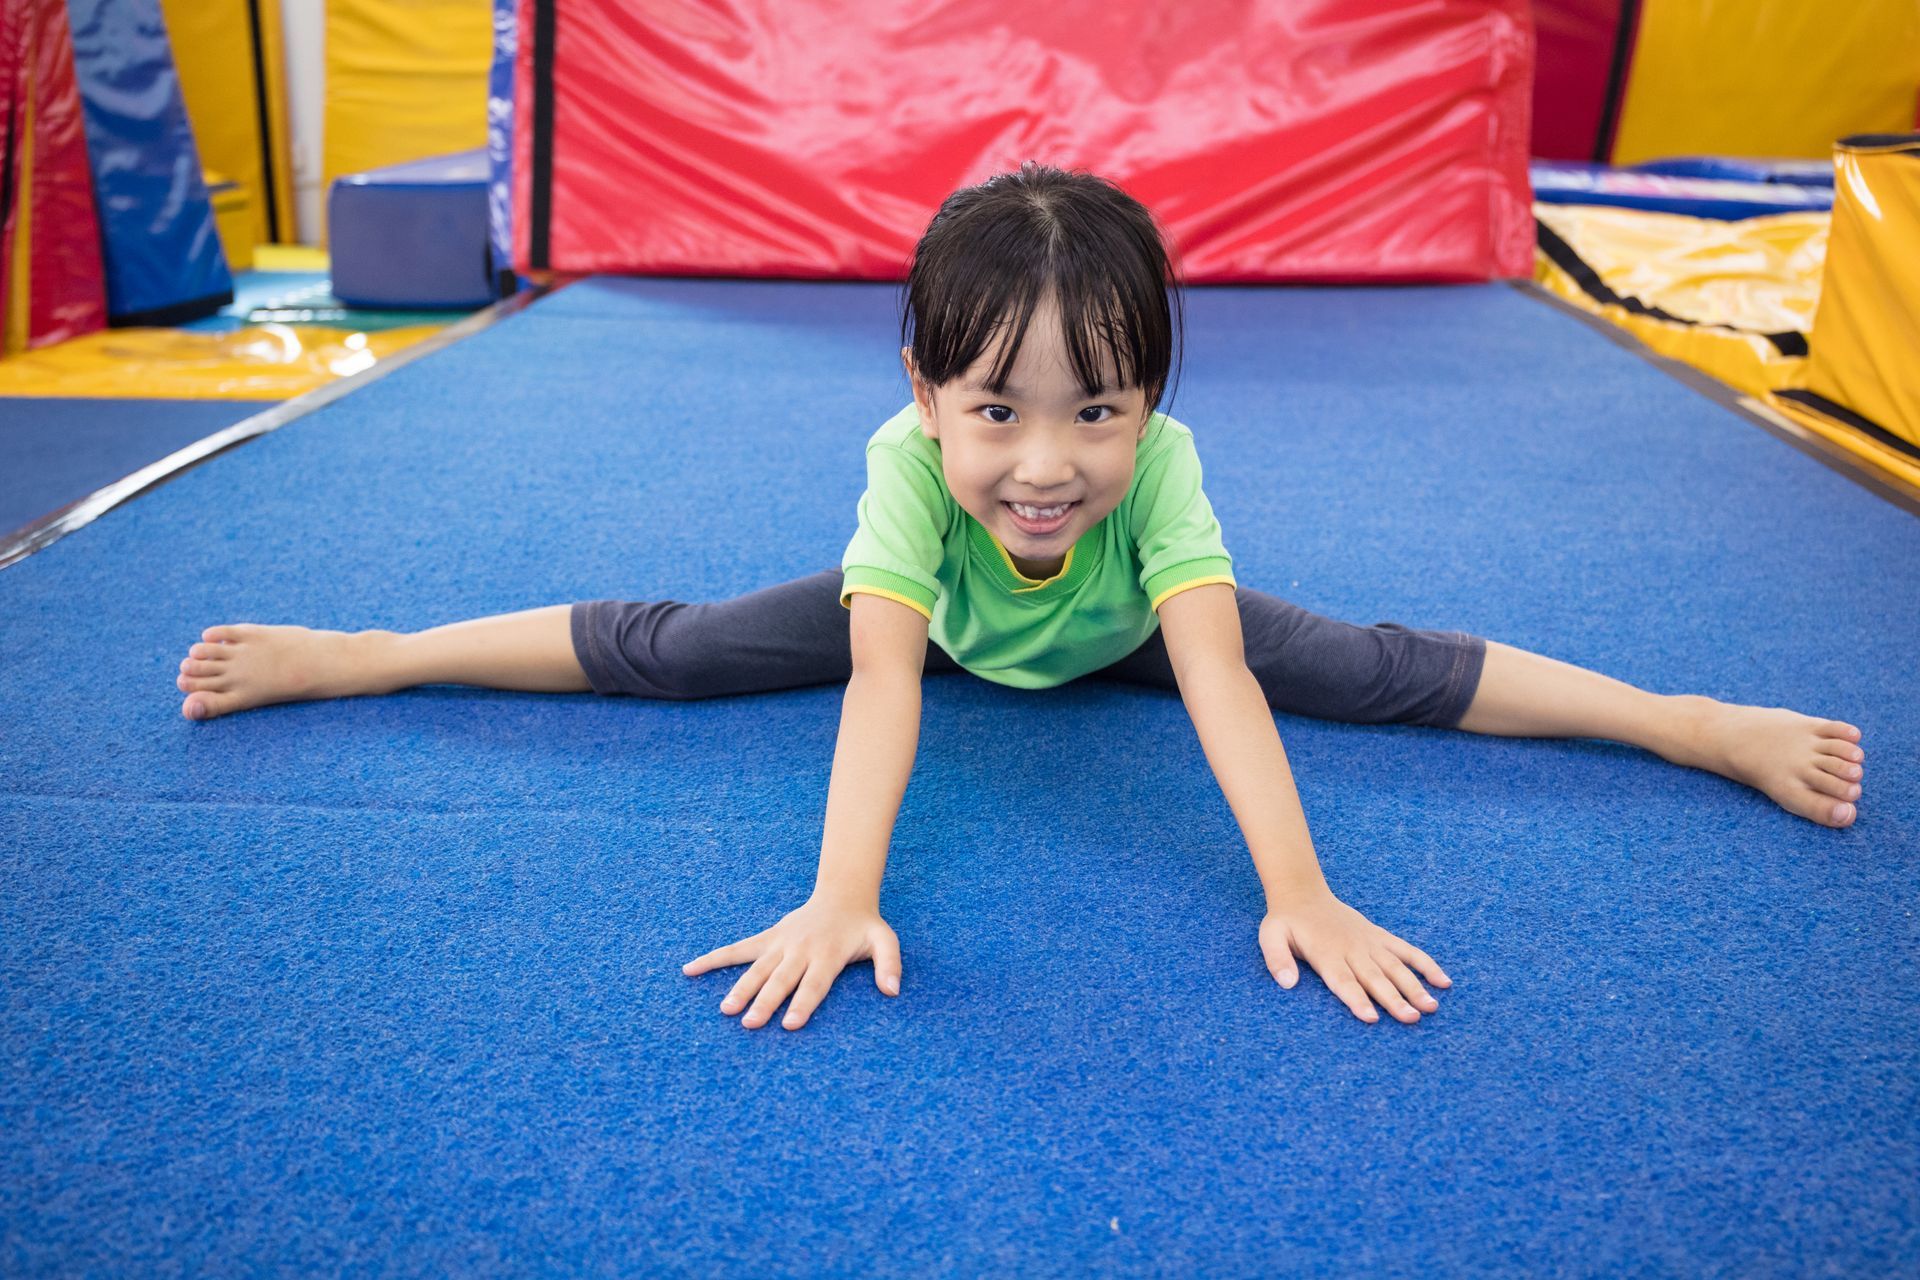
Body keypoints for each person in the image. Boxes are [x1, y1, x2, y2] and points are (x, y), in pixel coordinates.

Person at [174, 162, 1867, 1032]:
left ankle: (1689, 723)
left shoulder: (1162, 487)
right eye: (998, 411)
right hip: (938, 624)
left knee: (1370, 665)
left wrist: (1307, 891)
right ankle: (365, 655)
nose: (1045, 464)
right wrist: (842, 897)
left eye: (1097, 412)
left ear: (1151, 404)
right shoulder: (909, 481)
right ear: (923, 391)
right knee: (675, 649)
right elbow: (885, 689)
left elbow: (1221, 682)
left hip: (1118, 635)